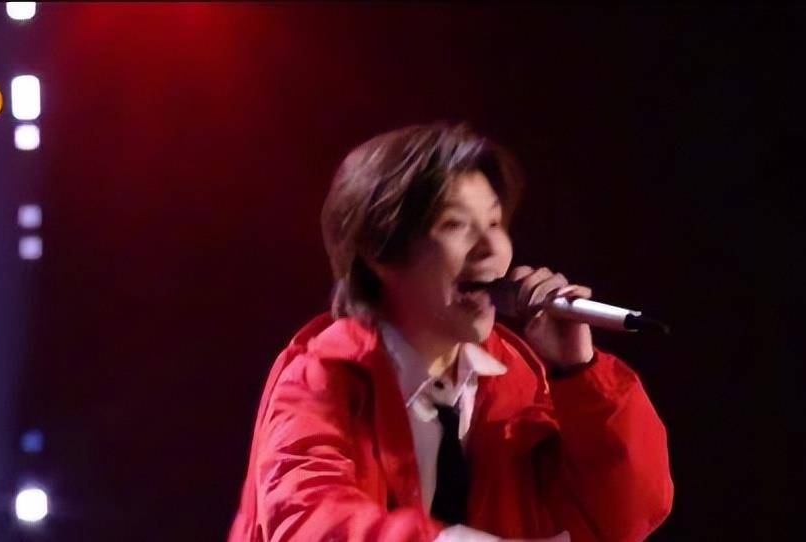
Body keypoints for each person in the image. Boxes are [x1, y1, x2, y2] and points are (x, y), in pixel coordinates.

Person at [228, 122, 672, 542]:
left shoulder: (520, 383)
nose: (492, 248)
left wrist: (579, 372)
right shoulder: (322, 378)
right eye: (456, 225)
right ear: (380, 253)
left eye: (495, 223)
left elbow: (620, 518)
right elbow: (308, 518)